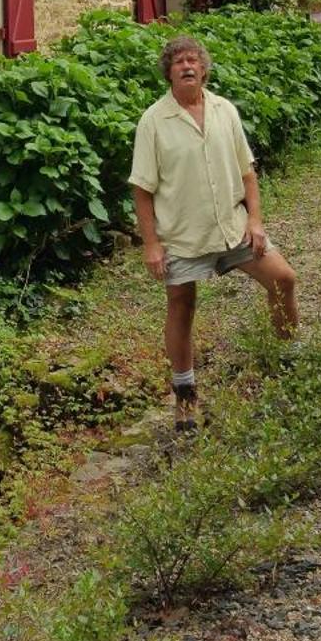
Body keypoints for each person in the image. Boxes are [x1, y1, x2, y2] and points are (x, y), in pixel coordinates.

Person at [130, 34, 298, 432]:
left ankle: (288, 366)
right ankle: (185, 396)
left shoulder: (225, 111)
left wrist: (255, 221)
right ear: (168, 73)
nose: (187, 66)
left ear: (204, 70)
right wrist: (151, 244)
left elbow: (248, 173)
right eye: (178, 62)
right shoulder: (154, 121)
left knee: (284, 280)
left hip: (232, 228)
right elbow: (142, 190)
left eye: (194, 61)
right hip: (183, 236)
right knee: (182, 306)